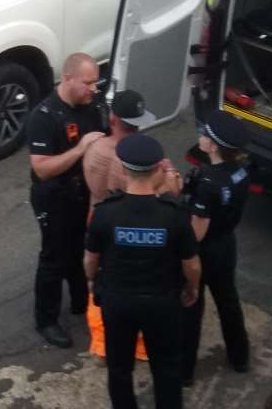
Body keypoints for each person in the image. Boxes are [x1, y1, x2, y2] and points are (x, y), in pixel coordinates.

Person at [84, 134, 201, 409]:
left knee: (120, 368)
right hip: (162, 303)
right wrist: (192, 288)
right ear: (158, 170)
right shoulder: (174, 215)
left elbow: (91, 259)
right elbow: (191, 263)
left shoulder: (105, 213)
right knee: (167, 369)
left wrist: (92, 281)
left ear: (124, 170)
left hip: (118, 302)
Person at [27, 52, 106, 348]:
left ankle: (79, 300)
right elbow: (42, 168)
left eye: (95, 83)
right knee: (53, 257)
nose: (93, 89)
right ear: (68, 78)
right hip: (54, 196)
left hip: (82, 192)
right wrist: (80, 150)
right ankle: (46, 320)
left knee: (80, 246)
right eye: (88, 83)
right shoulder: (44, 117)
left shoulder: (93, 104)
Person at [83, 89, 157, 362]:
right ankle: (137, 346)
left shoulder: (93, 148)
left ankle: (101, 342)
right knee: (132, 281)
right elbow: (154, 193)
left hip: (95, 218)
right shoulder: (135, 162)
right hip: (126, 224)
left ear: (113, 118)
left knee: (100, 282)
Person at [181, 110, 252, 386]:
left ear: (213, 145)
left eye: (204, 134)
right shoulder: (242, 170)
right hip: (226, 246)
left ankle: (184, 372)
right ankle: (240, 357)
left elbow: (197, 232)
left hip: (205, 251)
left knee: (191, 307)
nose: (200, 136)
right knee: (228, 303)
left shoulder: (208, 183)